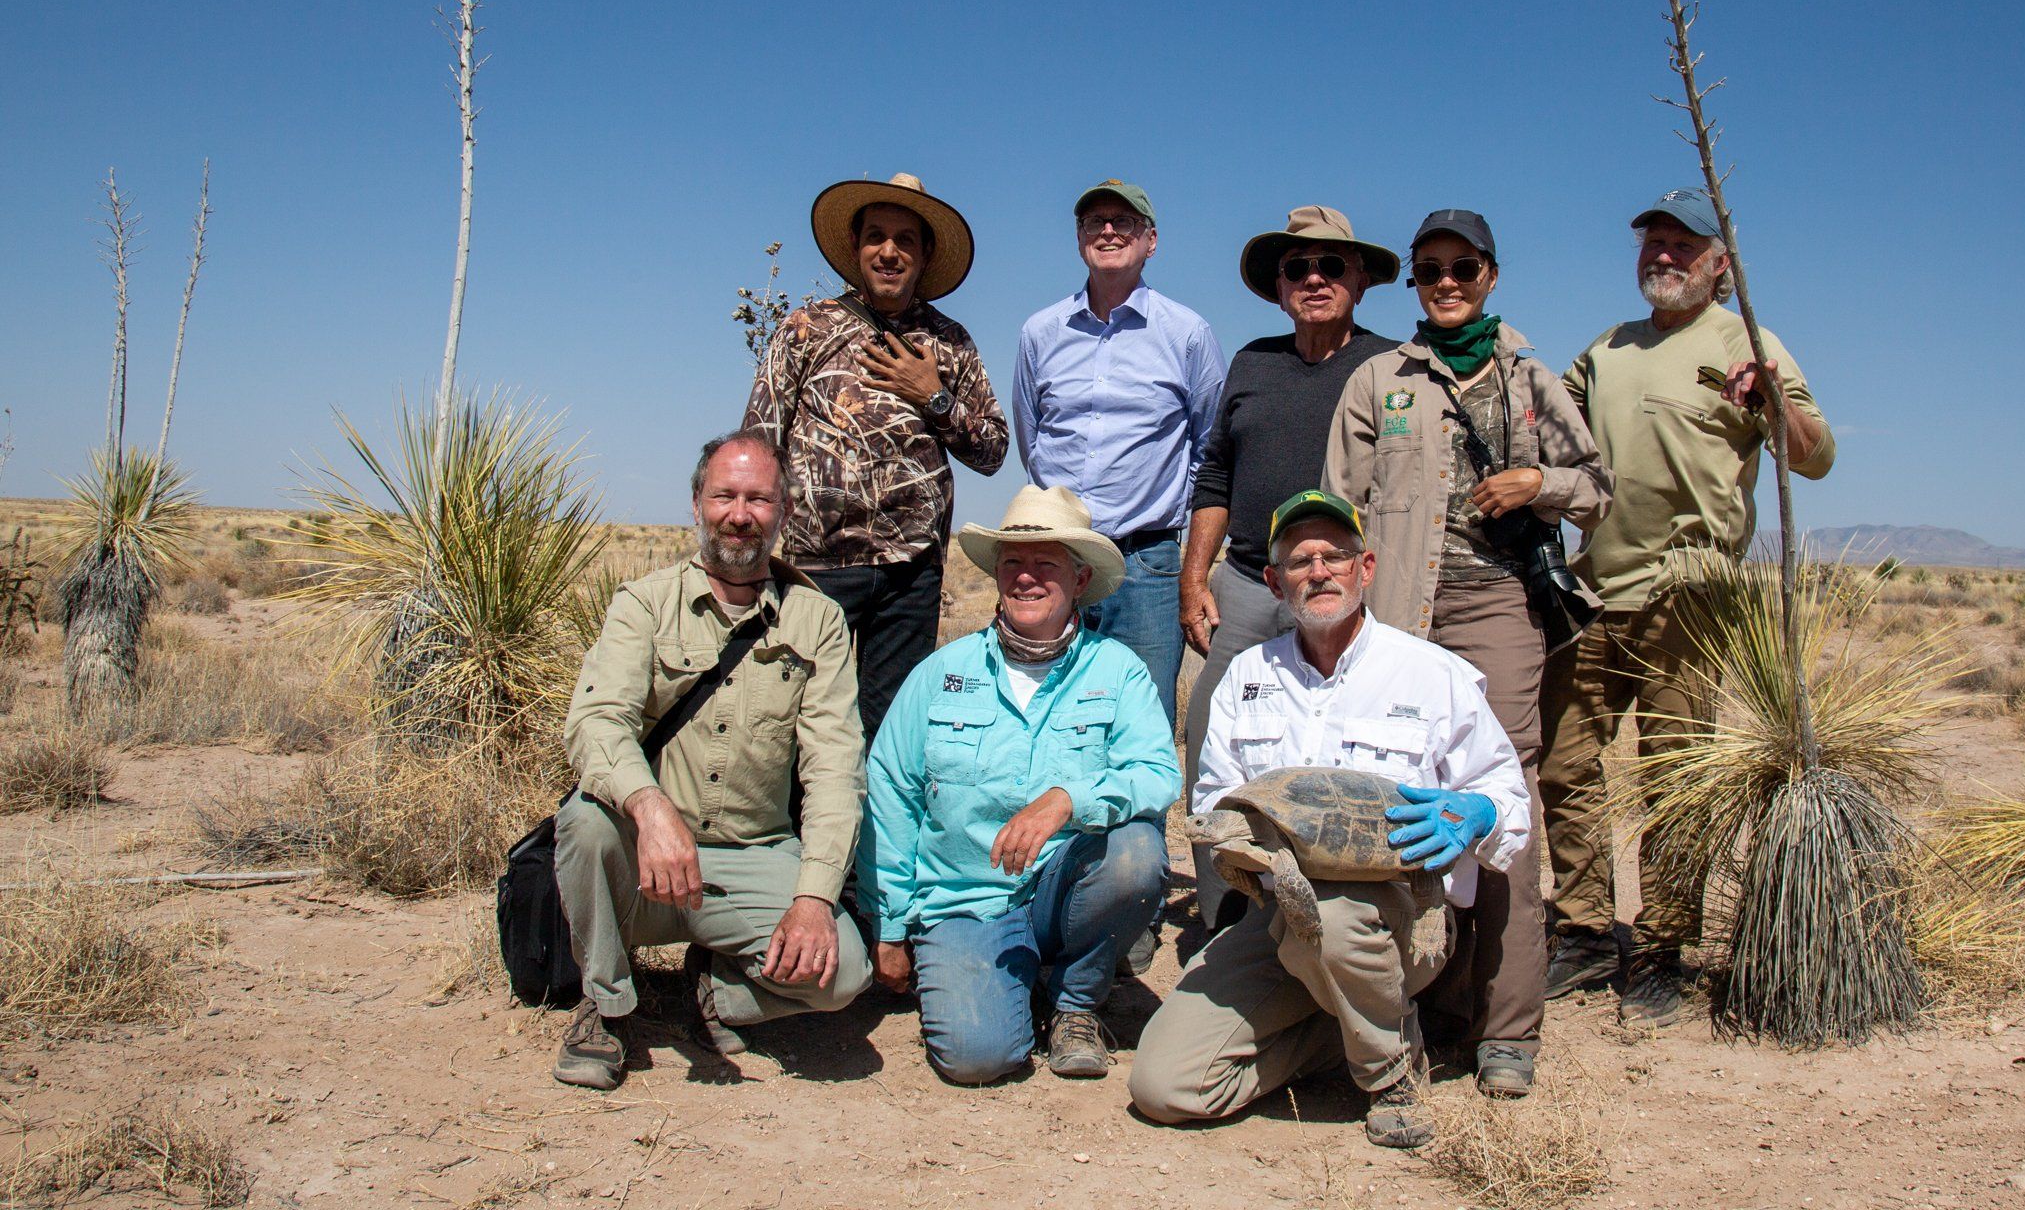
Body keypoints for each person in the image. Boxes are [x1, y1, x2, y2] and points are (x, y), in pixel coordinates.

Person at [1130, 491, 1528, 1150]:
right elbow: (1215, 801)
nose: (1318, 571)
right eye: (1299, 559)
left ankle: (1392, 1074)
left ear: (1364, 568)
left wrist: (1477, 812)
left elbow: (1507, 798)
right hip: (1279, 915)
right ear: (1272, 580)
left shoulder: (1432, 674)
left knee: (1333, 913)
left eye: (1334, 556)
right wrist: (1247, 851)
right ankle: (1352, 1028)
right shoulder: (1246, 677)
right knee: (1165, 1086)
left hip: (1404, 913)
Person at [1320, 208, 1609, 1098]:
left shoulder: (1530, 378)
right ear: (1414, 280)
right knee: (1400, 790)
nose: (1446, 283)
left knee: (1501, 792)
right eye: (1430, 269)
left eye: (1463, 268)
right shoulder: (1378, 380)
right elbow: (1339, 501)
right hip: (1400, 611)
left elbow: (1597, 485)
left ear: (1491, 274)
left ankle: (1507, 1028)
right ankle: (1423, 1010)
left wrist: (1540, 484)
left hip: (1499, 608)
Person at [1539, 187, 1837, 1025]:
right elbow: (1544, 422)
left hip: (1689, 594)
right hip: (1591, 590)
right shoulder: (1608, 347)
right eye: (1651, 245)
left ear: (1721, 266)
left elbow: (1815, 458)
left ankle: (1666, 947)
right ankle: (1587, 930)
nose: (1662, 258)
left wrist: (1772, 400)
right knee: (1565, 767)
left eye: (1681, 246)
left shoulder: (1750, 341)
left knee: (1676, 777)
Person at [552, 430, 870, 1090]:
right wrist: (649, 807)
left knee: (843, 976)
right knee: (586, 823)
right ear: (696, 503)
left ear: (784, 513)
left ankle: (713, 992)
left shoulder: (818, 622)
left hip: (755, 855)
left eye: (759, 499)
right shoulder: (643, 603)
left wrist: (813, 897)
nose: (739, 513)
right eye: (724, 495)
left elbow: (835, 769)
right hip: (647, 855)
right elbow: (595, 723)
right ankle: (605, 1009)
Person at [860, 486, 1178, 1085]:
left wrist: (1067, 800)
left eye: (1046, 564)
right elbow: (891, 798)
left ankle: (1076, 1003)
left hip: (1065, 891)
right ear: (997, 573)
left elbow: (1158, 774)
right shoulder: (941, 674)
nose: (1027, 578)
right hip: (963, 901)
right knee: (980, 1059)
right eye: (1014, 563)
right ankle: (1015, 981)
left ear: (1080, 580)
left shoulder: (1118, 670)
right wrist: (892, 926)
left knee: (1137, 853)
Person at [1179, 204, 1399, 929]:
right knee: (1215, 726)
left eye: (1331, 265)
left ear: (1360, 280)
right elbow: (1215, 475)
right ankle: (1225, 917)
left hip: (1345, 590)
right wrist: (1194, 579)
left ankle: (1346, 913)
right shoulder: (1252, 362)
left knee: (1347, 744)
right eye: (1297, 268)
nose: (1314, 277)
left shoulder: (1393, 367)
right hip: (1247, 580)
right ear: (1277, 287)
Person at [743, 171, 1009, 741]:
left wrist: (932, 394)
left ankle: (876, 833)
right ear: (857, 249)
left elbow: (993, 451)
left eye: (905, 240)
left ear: (923, 255)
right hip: (814, 568)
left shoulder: (950, 341)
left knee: (889, 731)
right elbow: (759, 445)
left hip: (910, 574)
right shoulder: (805, 329)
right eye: (876, 237)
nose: (889, 252)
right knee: (794, 726)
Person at [1012, 179, 1225, 725]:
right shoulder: (1040, 333)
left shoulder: (1188, 335)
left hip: (1146, 568)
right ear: (1079, 237)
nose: (1108, 231)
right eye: (1094, 222)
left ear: (1150, 240)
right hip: (1057, 560)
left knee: (1141, 729)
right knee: (1047, 718)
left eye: (1124, 222)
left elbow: (1210, 447)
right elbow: (1032, 440)